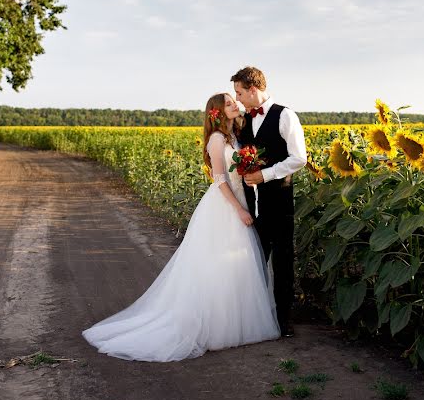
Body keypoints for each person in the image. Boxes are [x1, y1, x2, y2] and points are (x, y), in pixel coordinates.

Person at [82, 92, 280, 361]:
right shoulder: (217, 139)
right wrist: (238, 210)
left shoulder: (236, 136)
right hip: (225, 206)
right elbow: (220, 180)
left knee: (235, 264)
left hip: (241, 200)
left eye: (235, 101)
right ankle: (213, 327)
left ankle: (237, 325)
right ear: (217, 113)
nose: (236, 104)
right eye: (229, 103)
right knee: (214, 266)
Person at [232, 66, 307, 338]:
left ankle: (283, 321)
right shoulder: (244, 120)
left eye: (240, 92)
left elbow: (299, 158)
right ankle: (254, 320)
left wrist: (265, 175)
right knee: (253, 262)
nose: (238, 98)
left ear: (253, 89)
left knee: (283, 263)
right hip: (251, 206)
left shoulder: (285, 115)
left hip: (279, 203)